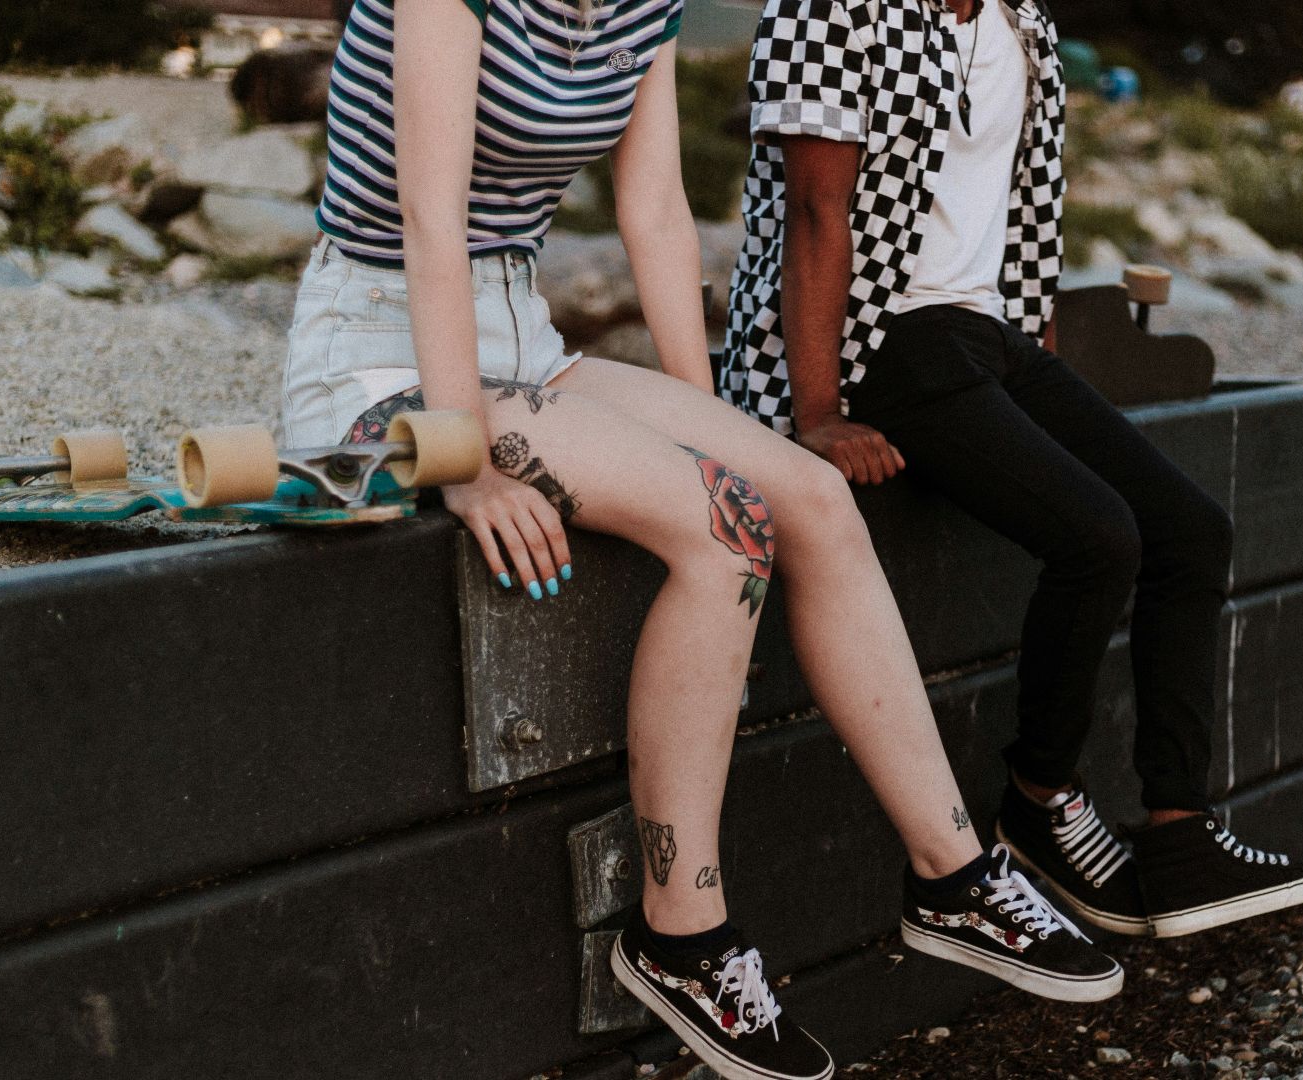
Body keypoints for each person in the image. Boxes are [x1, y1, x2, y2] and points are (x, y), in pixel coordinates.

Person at [286, 1, 1122, 1077]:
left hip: (524, 340)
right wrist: (465, 459)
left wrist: (714, 423)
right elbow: (431, 224)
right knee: (725, 531)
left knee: (810, 498)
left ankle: (952, 876)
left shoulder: (644, 9)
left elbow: (659, 214)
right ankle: (680, 933)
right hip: (376, 349)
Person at [723, 0, 1303, 941]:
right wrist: (817, 414)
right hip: (878, 342)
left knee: (1189, 532)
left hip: (989, 338)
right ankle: (1039, 801)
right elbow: (819, 210)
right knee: (1099, 537)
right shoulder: (830, 5)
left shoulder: (1021, 21)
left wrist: (1045, 384)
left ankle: (1179, 840)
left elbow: (1025, 209)